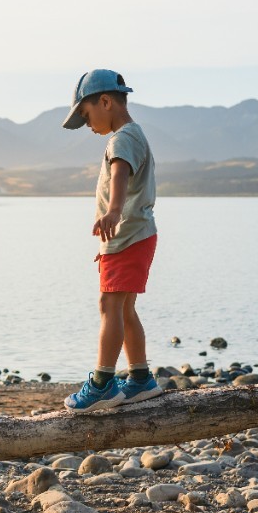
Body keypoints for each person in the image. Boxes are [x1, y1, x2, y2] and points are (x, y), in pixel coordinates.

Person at [60, 69, 164, 412]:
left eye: (86, 114)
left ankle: (102, 383)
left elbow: (119, 174)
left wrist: (114, 212)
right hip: (134, 236)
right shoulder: (134, 135)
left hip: (128, 235)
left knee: (109, 306)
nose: (88, 125)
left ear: (105, 102)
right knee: (124, 308)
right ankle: (140, 378)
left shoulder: (122, 139)